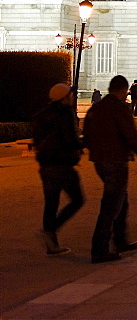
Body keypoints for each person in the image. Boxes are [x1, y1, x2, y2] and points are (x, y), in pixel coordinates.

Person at [82, 74, 137, 263]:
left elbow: (86, 134)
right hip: (116, 162)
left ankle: (120, 240)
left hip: (99, 162)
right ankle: (99, 249)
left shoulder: (96, 108)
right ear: (123, 90)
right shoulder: (120, 108)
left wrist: (97, 151)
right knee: (111, 204)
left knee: (121, 200)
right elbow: (132, 137)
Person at [32, 83, 85, 256]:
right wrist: (83, 144)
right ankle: (50, 231)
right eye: (70, 94)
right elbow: (70, 139)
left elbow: (37, 139)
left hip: (45, 164)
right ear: (64, 97)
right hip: (62, 164)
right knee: (78, 200)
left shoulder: (41, 114)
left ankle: (51, 245)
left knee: (51, 203)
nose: (72, 96)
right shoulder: (65, 113)